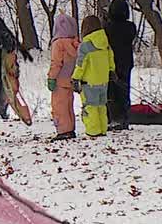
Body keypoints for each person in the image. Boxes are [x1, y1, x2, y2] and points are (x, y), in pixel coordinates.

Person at [73, 15, 115, 137]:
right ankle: (102, 129)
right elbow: (110, 58)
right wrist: (111, 71)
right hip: (104, 81)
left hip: (89, 83)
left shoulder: (86, 45)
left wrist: (75, 78)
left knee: (90, 107)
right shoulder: (105, 42)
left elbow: (81, 64)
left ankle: (93, 131)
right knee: (101, 106)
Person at [104, 0, 138, 130]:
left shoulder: (107, 27)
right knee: (124, 90)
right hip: (126, 62)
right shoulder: (130, 27)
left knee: (111, 91)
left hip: (111, 62)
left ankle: (112, 117)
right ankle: (123, 118)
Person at [47, 13, 80, 141]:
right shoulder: (75, 44)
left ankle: (63, 130)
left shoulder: (58, 44)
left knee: (59, 106)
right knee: (69, 105)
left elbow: (56, 63)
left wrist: (51, 77)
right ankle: (70, 128)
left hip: (59, 81)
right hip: (70, 79)